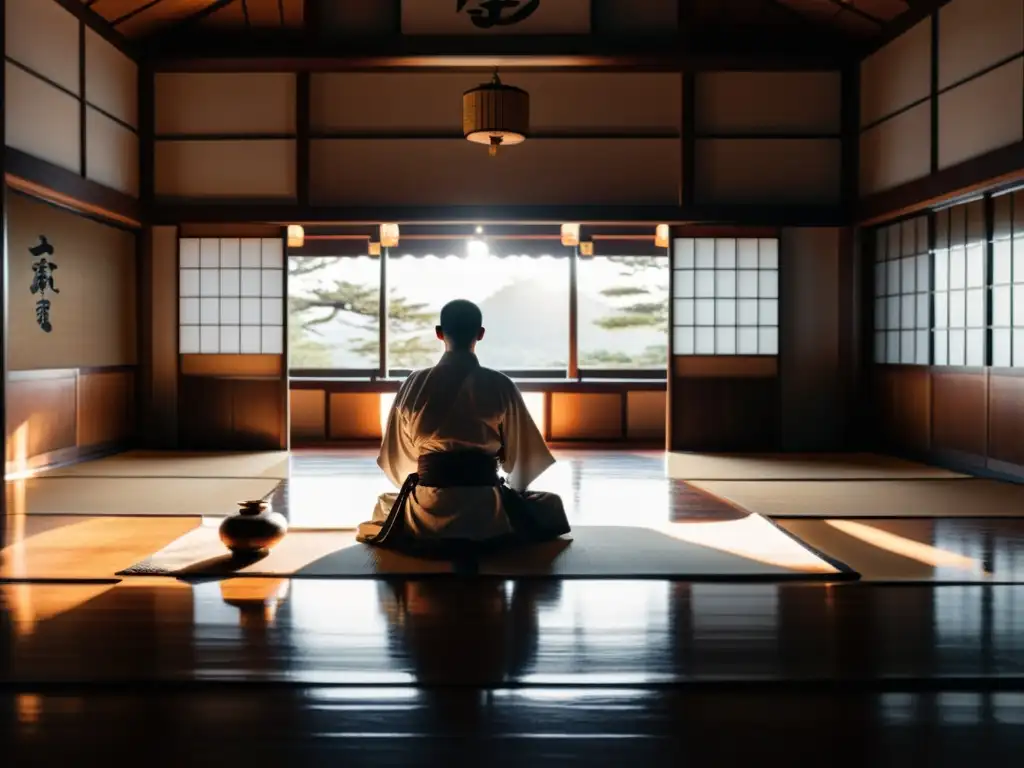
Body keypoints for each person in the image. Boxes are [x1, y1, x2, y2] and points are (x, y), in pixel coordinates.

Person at [357, 299, 570, 554]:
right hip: (486, 508)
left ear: (439, 333)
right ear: (480, 334)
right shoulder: (500, 384)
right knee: (550, 505)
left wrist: (434, 469)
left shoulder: (414, 384)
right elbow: (522, 458)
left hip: (428, 507)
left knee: (385, 505)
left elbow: (398, 457)